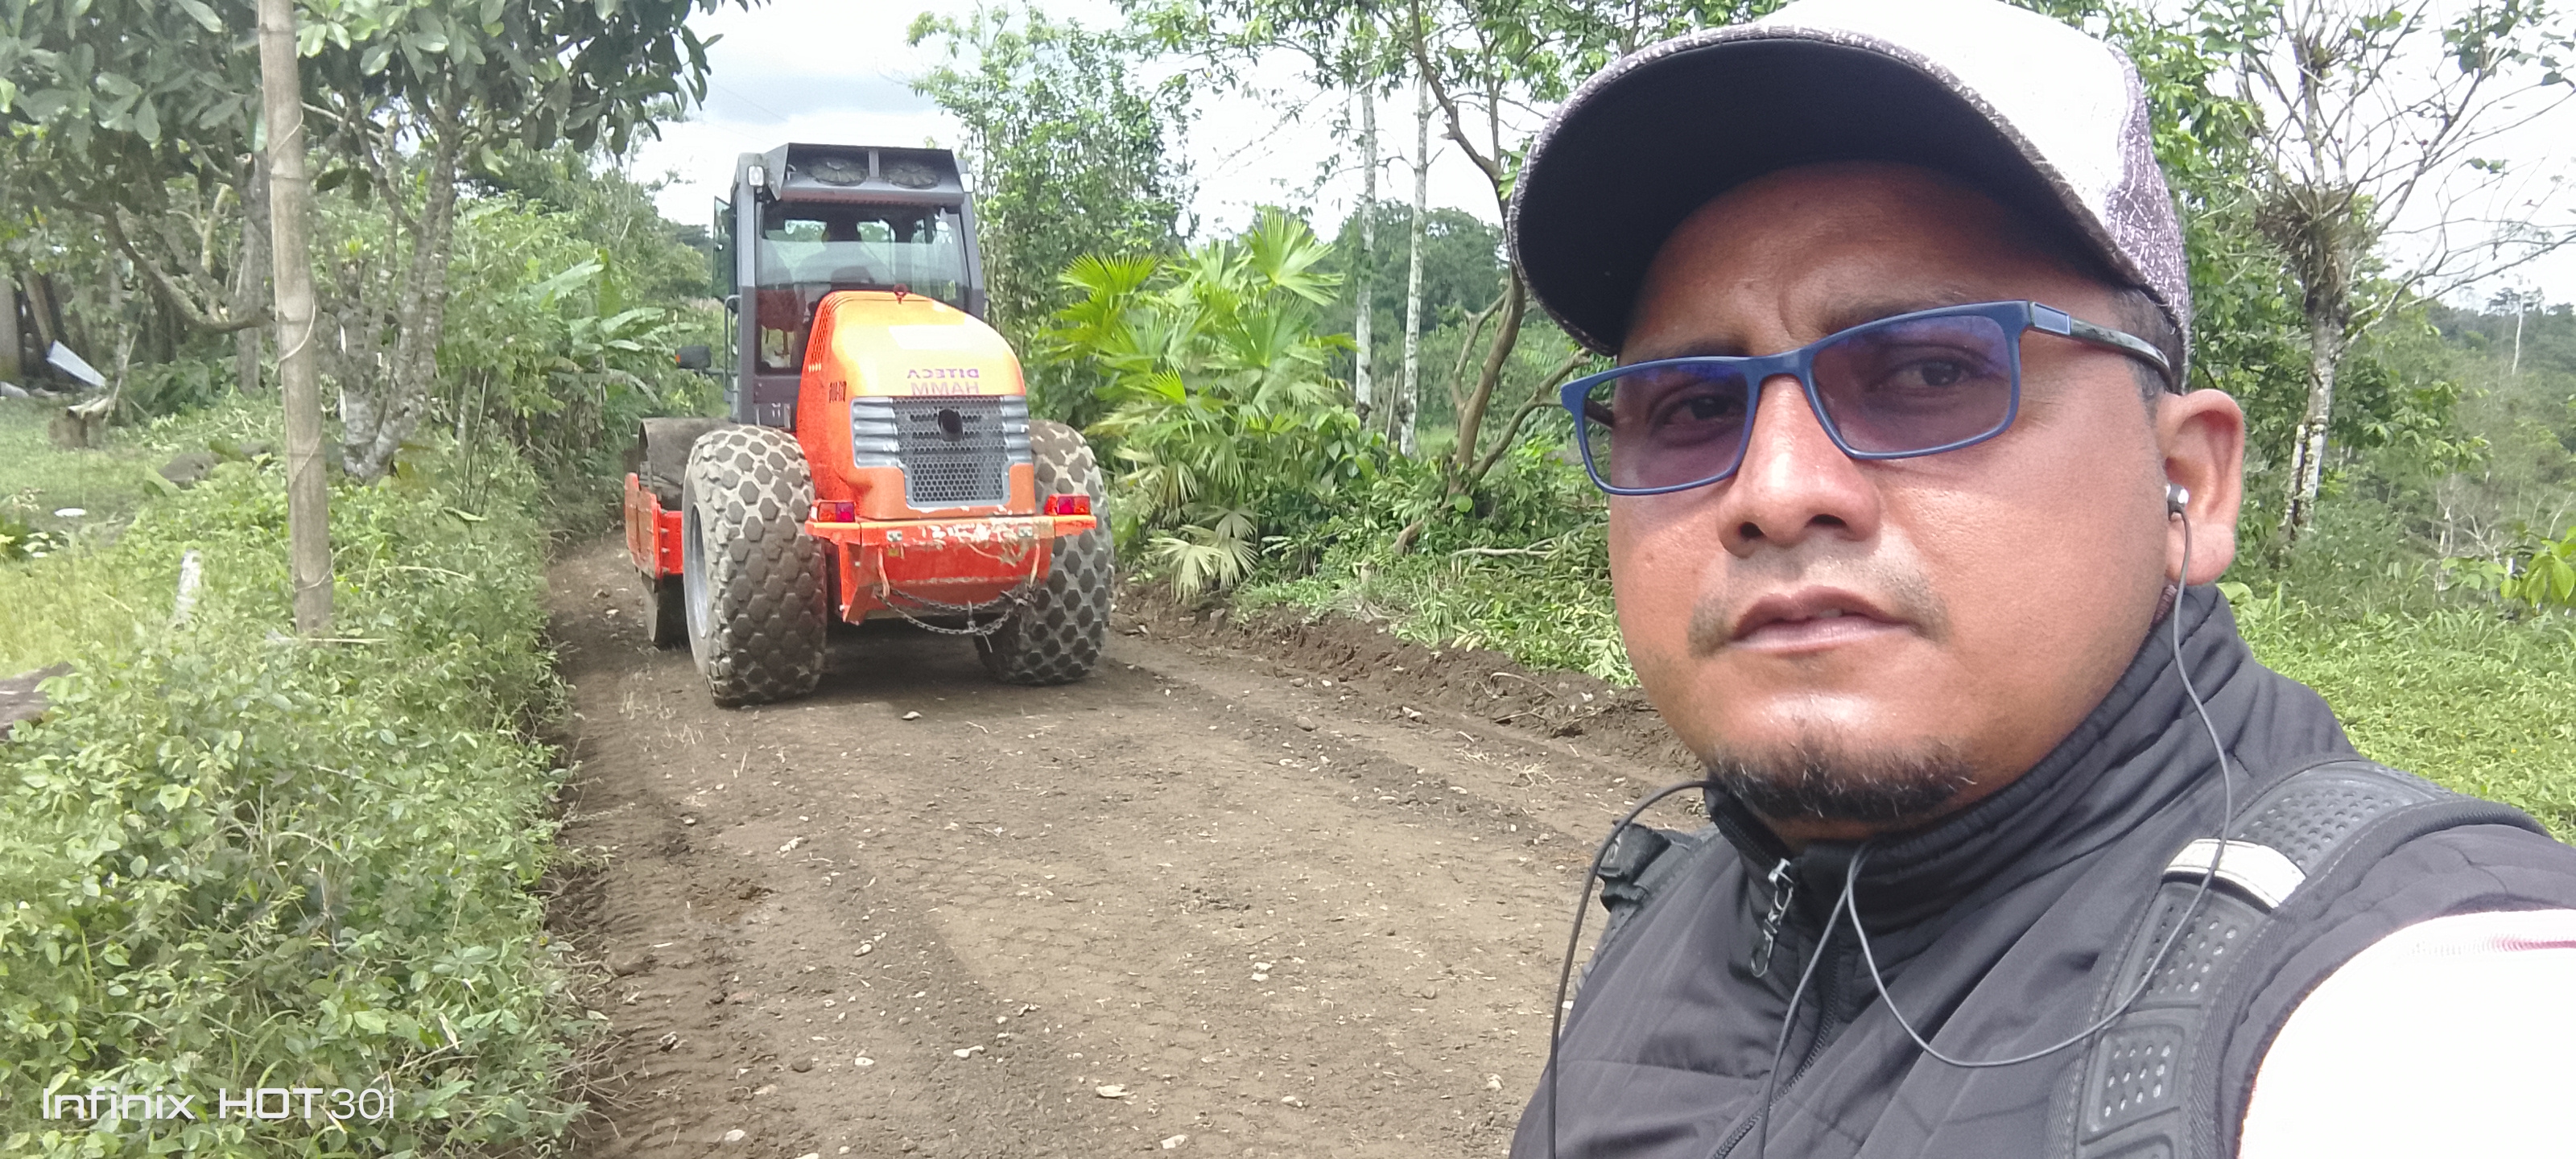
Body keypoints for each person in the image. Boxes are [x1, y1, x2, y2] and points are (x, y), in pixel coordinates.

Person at [1501, 1, 2576, 1157]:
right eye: (1695, 406)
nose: (1776, 490)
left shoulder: (2415, 1006)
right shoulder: (1695, 896)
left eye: (1927, 372)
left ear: (2188, 483)